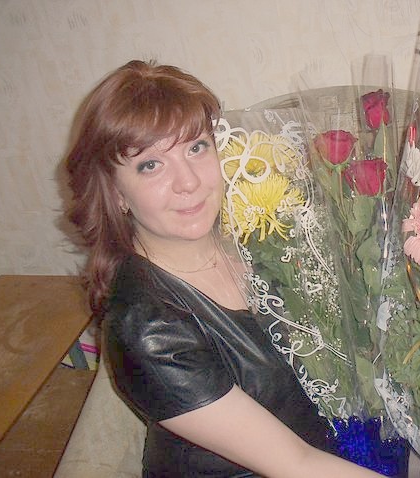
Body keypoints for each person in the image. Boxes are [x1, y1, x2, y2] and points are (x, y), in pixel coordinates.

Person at [64, 60, 384, 478]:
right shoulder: (146, 327)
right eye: (150, 165)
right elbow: (295, 463)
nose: (189, 182)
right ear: (116, 194)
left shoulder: (256, 234)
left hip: (336, 449)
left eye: (196, 148)